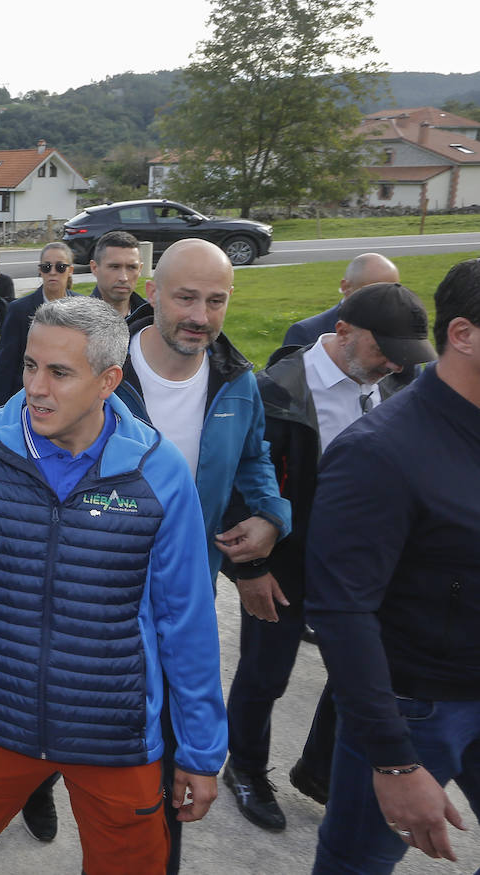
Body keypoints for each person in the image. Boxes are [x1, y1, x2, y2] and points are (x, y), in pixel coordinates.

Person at [0, 297, 227, 875]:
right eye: (29, 366)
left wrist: (201, 752)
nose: (36, 388)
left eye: (59, 373)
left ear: (108, 381)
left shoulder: (160, 473)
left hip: (114, 735)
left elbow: (187, 623)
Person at [223, 283, 436, 833]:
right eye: (383, 349)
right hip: (286, 564)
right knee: (265, 674)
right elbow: (235, 492)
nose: (393, 364)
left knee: (362, 673)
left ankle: (317, 768)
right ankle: (243, 766)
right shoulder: (272, 393)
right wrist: (250, 571)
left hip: (363, 568)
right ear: (342, 332)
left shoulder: (397, 381)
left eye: (404, 354)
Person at [114, 237, 290, 873]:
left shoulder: (239, 381)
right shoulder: (104, 366)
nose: (200, 315)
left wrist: (271, 515)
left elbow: (253, 459)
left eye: (216, 301)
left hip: (185, 593)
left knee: (167, 747)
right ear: (153, 292)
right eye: (186, 296)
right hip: (95, 592)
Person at [305, 258, 480, 872]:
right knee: (356, 863)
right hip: (414, 710)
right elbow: (341, 610)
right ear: (462, 335)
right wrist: (395, 761)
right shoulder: (380, 453)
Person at [0, 241, 78, 402]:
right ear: (40, 270)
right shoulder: (18, 310)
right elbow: (5, 366)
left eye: (60, 267)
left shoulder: (83, 307)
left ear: (70, 270)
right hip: (29, 399)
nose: (53, 272)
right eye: (47, 267)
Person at [284, 253, 399, 348]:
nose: (386, 301)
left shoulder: (401, 328)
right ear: (346, 287)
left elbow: (411, 374)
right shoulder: (307, 333)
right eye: (375, 294)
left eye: (393, 293)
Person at [88, 230, 148, 319]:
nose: (124, 278)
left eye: (132, 267)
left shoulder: (153, 317)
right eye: (114, 267)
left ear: (140, 269)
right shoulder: (74, 322)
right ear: (94, 268)